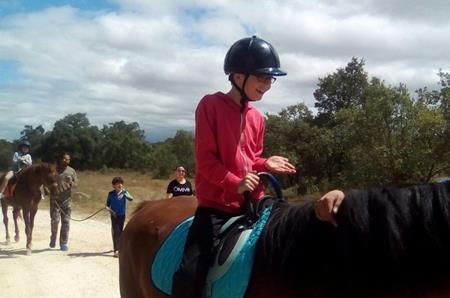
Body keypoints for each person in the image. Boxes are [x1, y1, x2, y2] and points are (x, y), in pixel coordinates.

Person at [171, 36, 297, 298]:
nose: (268, 85)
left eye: (271, 79)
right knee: (189, 273)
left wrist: (265, 163)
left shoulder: (258, 118)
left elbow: (251, 160)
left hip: (254, 203)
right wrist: (234, 182)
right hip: (217, 208)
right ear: (239, 77)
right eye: (262, 77)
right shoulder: (210, 105)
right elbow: (205, 161)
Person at [49, 153, 78, 251]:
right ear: (61, 159)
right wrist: (51, 186)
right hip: (55, 200)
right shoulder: (54, 170)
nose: (67, 161)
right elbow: (46, 183)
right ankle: (53, 238)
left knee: (66, 222)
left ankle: (63, 243)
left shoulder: (71, 171)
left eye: (68, 159)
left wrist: (71, 182)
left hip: (67, 200)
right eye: (65, 159)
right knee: (55, 221)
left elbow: (76, 185)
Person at [105, 176, 133, 258]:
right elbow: (107, 205)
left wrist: (125, 193)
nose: (120, 185)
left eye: (121, 183)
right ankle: (116, 250)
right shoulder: (111, 194)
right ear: (114, 185)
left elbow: (131, 199)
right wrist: (109, 210)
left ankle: (120, 248)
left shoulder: (124, 192)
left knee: (121, 232)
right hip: (114, 215)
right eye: (118, 184)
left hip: (122, 215)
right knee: (116, 231)